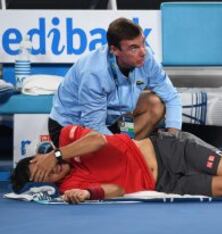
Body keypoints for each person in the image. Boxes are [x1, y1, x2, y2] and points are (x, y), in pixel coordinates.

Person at [11, 125, 222, 204]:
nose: (51, 173)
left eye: (41, 166)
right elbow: (117, 189)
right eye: (43, 177)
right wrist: (89, 193)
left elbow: (99, 141)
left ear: (42, 157)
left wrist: (57, 154)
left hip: (169, 151)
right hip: (165, 185)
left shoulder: (69, 140)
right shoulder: (68, 187)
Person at [48, 17, 182, 147]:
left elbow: (171, 96)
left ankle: (130, 149)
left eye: (143, 43)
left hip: (112, 119)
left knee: (155, 104)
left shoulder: (146, 58)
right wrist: (124, 148)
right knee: (111, 155)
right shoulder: (93, 72)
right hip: (71, 126)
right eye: (133, 48)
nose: (143, 52)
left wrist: (173, 137)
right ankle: (129, 152)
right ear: (114, 50)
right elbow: (94, 128)